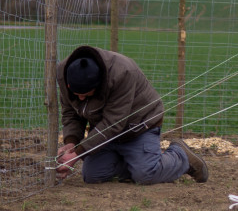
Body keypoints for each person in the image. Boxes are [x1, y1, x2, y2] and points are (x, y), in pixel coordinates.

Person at [54, 44, 208, 185]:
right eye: (77, 94)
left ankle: (180, 156)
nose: (81, 98)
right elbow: (70, 112)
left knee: (146, 175)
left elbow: (113, 123)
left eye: (86, 94)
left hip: (138, 127)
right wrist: (72, 143)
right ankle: (136, 163)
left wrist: (77, 154)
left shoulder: (123, 73)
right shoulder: (63, 73)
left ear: (98, 84)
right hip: (104, 132)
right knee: (92, 176)